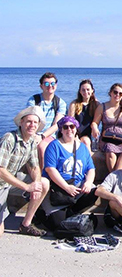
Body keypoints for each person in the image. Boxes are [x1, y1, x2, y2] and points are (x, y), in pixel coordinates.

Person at [41, 116, 97, 231]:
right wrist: (66, 187)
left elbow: (91, 168)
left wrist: (88, 182)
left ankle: (72, 212)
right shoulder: (54, 146)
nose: (69, 130)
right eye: (65, 127)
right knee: (57, 225)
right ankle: (42, 213)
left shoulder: (82, 147)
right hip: (57, 188)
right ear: (61, 130)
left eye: (72, 127)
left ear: (76, 128)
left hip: (76, 186)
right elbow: (50, 169)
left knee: (94, 191)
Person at [0, 107, 49, 237]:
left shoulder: (32, 141)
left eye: (35, 122)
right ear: (21, 122)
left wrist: (36, 185)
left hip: (11, 182)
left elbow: (34, 167)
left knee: (44, 183)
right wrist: (27, 187)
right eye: (28, 121)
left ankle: (26, 224)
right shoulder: (9, 139)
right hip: (0, 184)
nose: (32, 125)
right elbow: (0, 170)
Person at [27, 72, 67, 168]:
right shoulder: (34, 100)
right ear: (41, 86)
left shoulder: (60, 103)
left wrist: (42, 136)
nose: (50, 86)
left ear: (56, 85)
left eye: (52, 83)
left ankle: (43, 176)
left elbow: (56, 125)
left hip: (49, 135)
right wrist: (34, 135)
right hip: (33, 132)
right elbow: (31, 119)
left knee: (42, 147)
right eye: (46, 84)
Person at [91, 83, 122, 172]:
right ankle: (115, 176)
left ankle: (115, 178)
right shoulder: (102, 107)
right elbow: (95, 122)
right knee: (110, 149)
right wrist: (95, 128)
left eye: (120, 93)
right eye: (115, 92)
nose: (117, 95)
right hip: (108, 137)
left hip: (121, 136)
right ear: (110, 93)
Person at [68, 79, 100, 153]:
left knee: (86, 141)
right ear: (80, 91)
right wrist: (74, 135)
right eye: (83, 90)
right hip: (75, 133)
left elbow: (98, 120)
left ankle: (88, 164)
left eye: (88, 89)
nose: (86, 92)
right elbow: (70, 121)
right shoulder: (74, 104)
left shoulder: (96, 104)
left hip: (88, 134)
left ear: (92, 90)